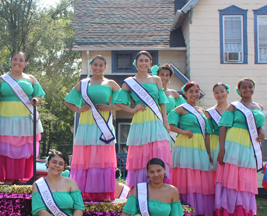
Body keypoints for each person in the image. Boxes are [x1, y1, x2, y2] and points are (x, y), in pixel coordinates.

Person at [64, 55, 136, 201]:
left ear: (105, 67)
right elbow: (68, 101)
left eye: (101, 65)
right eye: (95, 65)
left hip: (103, 124)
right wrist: (78, 109)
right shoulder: (83, 83)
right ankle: (83, 194)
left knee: (101, 158)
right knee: (86, 157)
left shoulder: (111, 83)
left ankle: (101, 193)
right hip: (85, 123)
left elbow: (125, 101)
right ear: (91, 66)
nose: (97, 67)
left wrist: (110, 106)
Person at [0, 151, 86, 216]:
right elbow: (41, 210)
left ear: (64, 167)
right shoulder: (38, 184)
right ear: (48, 163)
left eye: (61, 163)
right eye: (54, 162)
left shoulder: (71, 183)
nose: (57, 166)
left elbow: (79, 207)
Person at [114, 51, 171, 187]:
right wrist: (132, 109)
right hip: (140, 119)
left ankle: (160, 187)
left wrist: (166, 121)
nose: (143, 63)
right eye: (141, 60)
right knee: (141, 153)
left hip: (155, 118)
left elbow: (162, 102)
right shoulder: (129, 82)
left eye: (146, 60)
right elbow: (119, 102)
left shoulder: (156, 79)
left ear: (150, 63)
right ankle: (141, 188)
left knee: (159, 150)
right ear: (136, 63)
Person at [216, 78, 265, 216]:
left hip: (248, 148)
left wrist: (262, 131)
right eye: (244, 87)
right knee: (232, 182)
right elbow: (223, 127)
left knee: (244, 182)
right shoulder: (234, 107)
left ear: (253, 88)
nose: (247, 89)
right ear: (239, 90)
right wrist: (222, 149)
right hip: (233, 145)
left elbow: (259, 124)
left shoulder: (259, 106)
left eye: (250, 87)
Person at [0, 52, 45, 184]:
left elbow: (39, 94)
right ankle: (8, 178)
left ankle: (23, 178)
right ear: (10, 61)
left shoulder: (31, 79)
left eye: (21, 60)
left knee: (24, 148)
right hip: (6, 117)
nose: (18, 62)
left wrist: (35, 99)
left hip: (25, 118)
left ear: (25, 63)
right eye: (15, 59)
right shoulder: (2, 79)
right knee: (6, 147)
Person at [169, 81, 214, 216]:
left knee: (198, 179)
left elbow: (207, 134)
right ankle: (187, 213)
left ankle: (199, 212)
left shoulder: (202, 112)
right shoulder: (180, 109)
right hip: (186, 145)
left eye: (197, 91)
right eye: (191, 91)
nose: (194, 94)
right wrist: (182, 131)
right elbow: (169, 125)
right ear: (186, 94)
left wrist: (208, 153)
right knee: (187, 177)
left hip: (200, 147)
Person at [154, 63, 185, 149]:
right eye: (162, 75)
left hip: (171, 128)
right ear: (157, 76)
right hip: (156, 125)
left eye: (167, 75)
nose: (164, 77)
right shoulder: (153, 92)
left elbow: (185, 109)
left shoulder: (174, 93)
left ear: (170, 77)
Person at [205, 83, 229, 171]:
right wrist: (208, 153)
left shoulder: (235, 109)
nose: (219, 94)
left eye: (222, 91)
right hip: (216, 143)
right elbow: (207, 134)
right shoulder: (210, 112)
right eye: (216, 92)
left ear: (227, 91)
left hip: (232, 141)